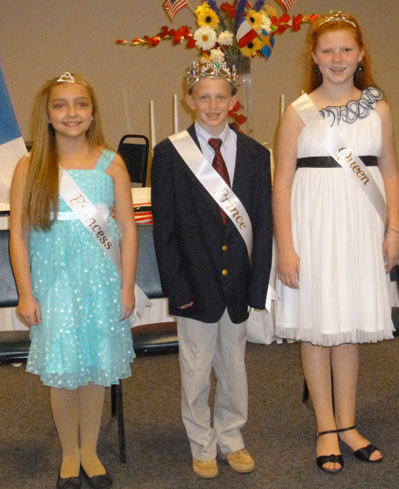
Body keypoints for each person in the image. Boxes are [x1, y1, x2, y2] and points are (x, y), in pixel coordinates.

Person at [273, 12, 399, 474]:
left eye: (346, 49)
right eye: (327, 50)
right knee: (317, 325)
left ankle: (348, 423)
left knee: (346, 325)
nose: (337, 59)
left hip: (360, 227)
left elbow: (389, 171)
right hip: (312, 227)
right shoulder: (297, 112)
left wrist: (394, 230)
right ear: (314, 56)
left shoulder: (379, 108)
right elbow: (282, 183)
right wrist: (285, 247)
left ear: (361, 54)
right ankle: (325, 427)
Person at [9, 72, 137, 489]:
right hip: (54, 285)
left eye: (80, 103)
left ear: (93, 110)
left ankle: (90, 451)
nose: (71, 113)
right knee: (65, 370)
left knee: (96, 368)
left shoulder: (111, 163)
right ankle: (69, 453)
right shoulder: (30, 167)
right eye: (60, 105)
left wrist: (127, 286)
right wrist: (26, 292)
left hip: (101, 284)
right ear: (46, 114)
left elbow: (128, 230)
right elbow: (18, 235)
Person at [151, 59, 272, 479]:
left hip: (238, 283)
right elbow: (164, 230)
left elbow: (264, 224)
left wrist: (258, 289)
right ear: (189, 101)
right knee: (196, 369)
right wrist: (176, 288)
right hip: (194, 284)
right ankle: (201, 441)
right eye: (204, 97)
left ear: (234, 101)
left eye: (222, 96)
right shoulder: (168, 154)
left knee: (234, 368)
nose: (213, 105)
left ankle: (232, 435)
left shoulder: (257, 155)